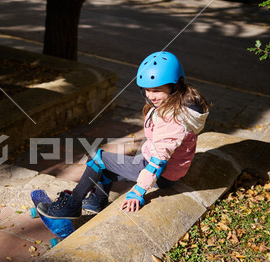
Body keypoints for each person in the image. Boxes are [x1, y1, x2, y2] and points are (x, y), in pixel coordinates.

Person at [37, 51, 210, 218]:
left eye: (156, 90)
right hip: (169, 170)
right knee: (105, 169)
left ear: (176, 86)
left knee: (98, 158)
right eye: (146, 90)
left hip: (161, 172)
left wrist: (138, 191)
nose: (150, 96)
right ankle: (96, 201)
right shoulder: (182, 105)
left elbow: (158, 161)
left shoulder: (172, 120)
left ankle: (71, 206)